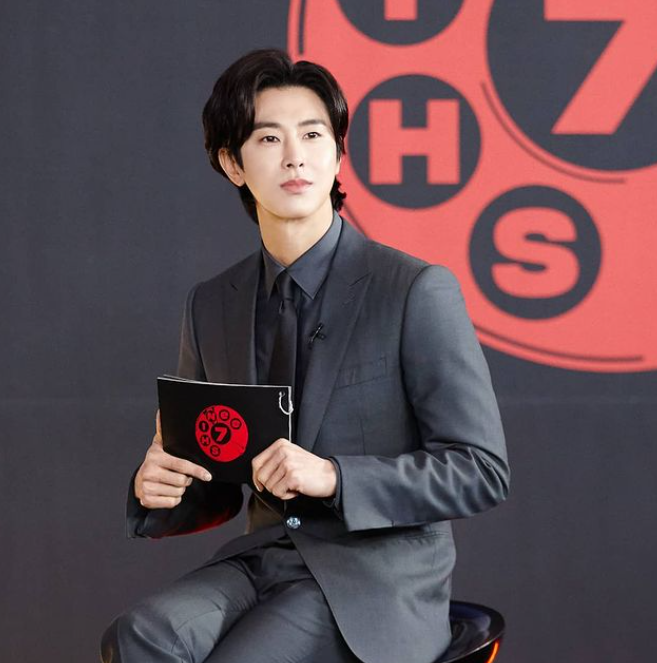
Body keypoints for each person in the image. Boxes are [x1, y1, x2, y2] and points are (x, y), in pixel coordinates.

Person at [101, 48, 509, 663]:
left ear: (338, 153)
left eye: (313, 134)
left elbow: (480, 469)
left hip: (373, 581)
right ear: (232, 163)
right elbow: (214, 482)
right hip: (263, 560)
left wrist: (335, 476)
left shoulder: (413, 290)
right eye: (269, 138)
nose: (295, 155)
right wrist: (160, 488)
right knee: (136, 636)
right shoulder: (211, 303)